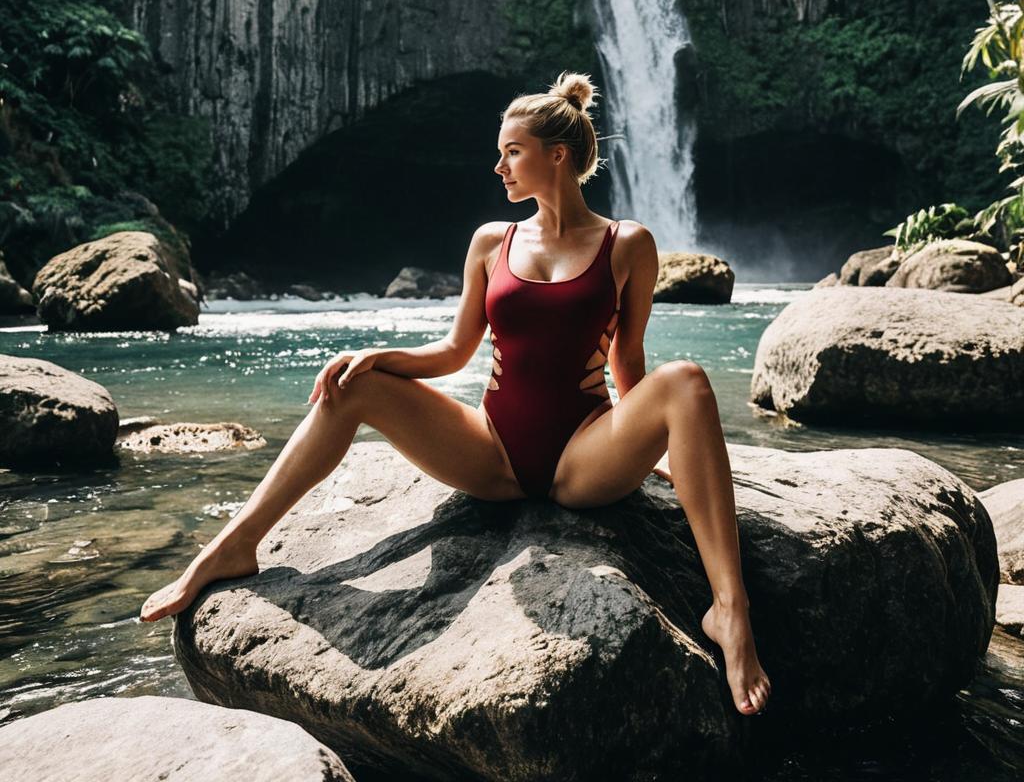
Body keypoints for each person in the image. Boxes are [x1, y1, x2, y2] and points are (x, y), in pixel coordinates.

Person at [139, 70, 771, 716]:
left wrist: (662, 447)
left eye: (511, 152)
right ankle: (234, 544)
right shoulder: (490, 242)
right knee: (348, 386)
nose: (497, 166)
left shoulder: (627, 243)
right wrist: (377, 357)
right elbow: (454, 353)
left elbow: (626, 359)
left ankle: (730, 611)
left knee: (688, 381)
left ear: (557, 156)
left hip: (583, 458)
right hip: (491, 452)